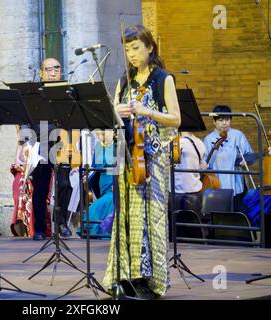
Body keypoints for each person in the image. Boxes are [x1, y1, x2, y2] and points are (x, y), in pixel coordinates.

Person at [103, 25, 181, 299]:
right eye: (127, 50)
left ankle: (152, 280)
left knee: (152, 219)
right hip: (127, 156)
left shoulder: (163, 79)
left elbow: (176, 119)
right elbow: (110, 116)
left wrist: (146, 110)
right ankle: (125, 276)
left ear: (149, 48)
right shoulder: (123, 80)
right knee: (126, 220)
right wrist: (114, 113)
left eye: (136, 48)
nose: (132, 55)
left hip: (154, 160)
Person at [14, 58, 72, 240]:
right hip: (41, 143)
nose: (53, 72)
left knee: (65, 184)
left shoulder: (67, 92)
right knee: (40, 188)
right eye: (48, 69)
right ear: (41, 72)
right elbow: (23, 118)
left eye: (57, 68)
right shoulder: (33, 95)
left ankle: (61, 222)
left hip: (62, 141)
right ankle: (39, 229)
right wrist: (25, 142)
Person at [203, 105, 254, 213]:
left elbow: (249, 155)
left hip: (236, 183)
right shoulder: (208, 139)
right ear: (214, 121)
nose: (224, 123)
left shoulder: (237, 135)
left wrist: (246, 161)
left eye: (227, 120)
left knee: (237, 213)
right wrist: (203, 164)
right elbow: (204, 160)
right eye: (221, 120)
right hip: (216, 183)